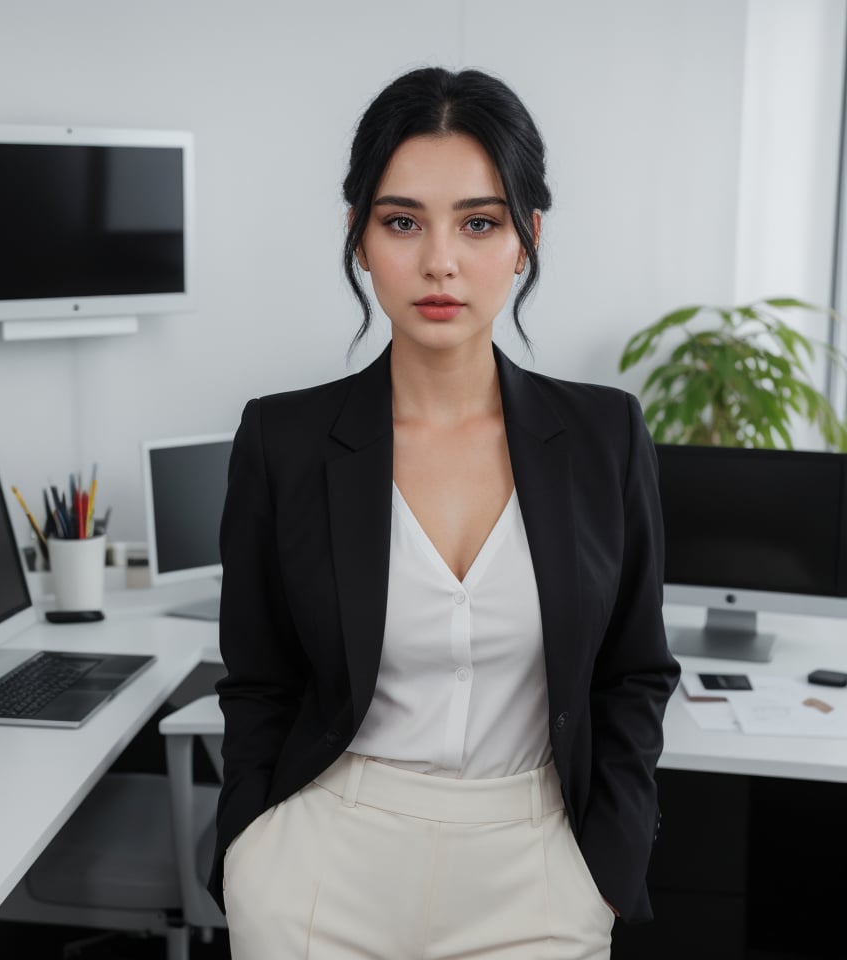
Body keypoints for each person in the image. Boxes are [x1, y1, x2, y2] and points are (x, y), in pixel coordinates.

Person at [209, 66, 681, 959]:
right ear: (357, 238)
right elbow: (258, 681)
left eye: (478, 222)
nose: (439, 261)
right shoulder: (284, 439)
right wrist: (250, 853)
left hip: (538, 869)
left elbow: (634, 672)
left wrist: (607, 874)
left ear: (526, 239)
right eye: (401, 222)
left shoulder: (604, 434)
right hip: (322, 866)